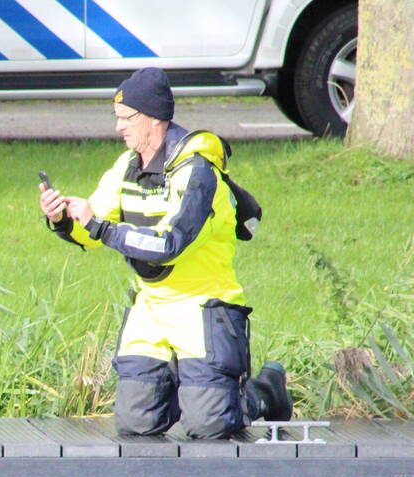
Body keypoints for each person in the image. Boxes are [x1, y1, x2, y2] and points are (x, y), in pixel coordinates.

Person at [37, 67, 292, 439]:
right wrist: (62, 218)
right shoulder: (126, 166)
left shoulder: (200, 175)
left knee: (210, 425)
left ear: (153, 119)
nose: (118, 127)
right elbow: (92, 231)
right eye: (117, 118)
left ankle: (266, 391)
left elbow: (167, 246)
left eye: (126, 119)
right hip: (152, 307)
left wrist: (100, 226)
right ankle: (191, 387)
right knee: (136, 423)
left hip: (204, 307)